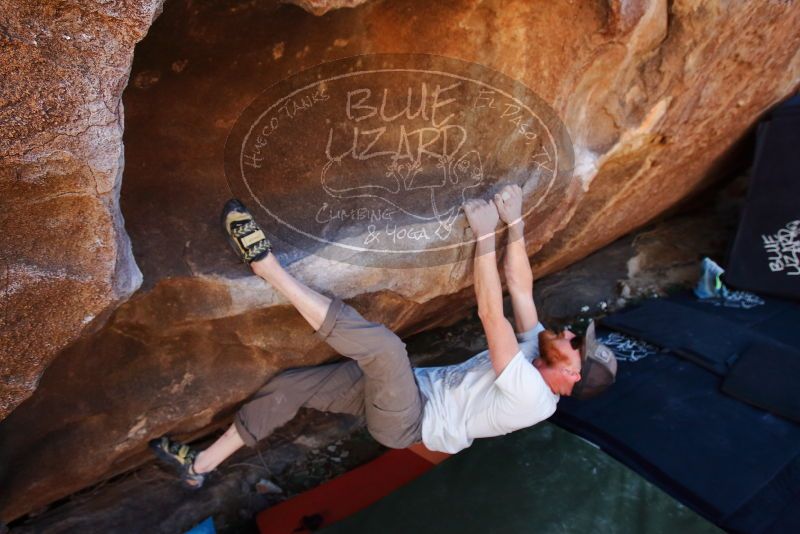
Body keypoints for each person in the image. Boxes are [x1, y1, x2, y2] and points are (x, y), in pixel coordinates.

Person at [150, 185, 616, 488]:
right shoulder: (539, 351)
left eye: (578, 344)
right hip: (410, 394)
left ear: (571, 373)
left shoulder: (534, 397)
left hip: (409, 421)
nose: (572, 333)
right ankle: (202, 466)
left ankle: (267, 267)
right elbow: (519, 288)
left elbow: (492, 314)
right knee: (294, 386)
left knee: (384, 348)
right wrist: (514, 222)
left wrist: (484, 235)